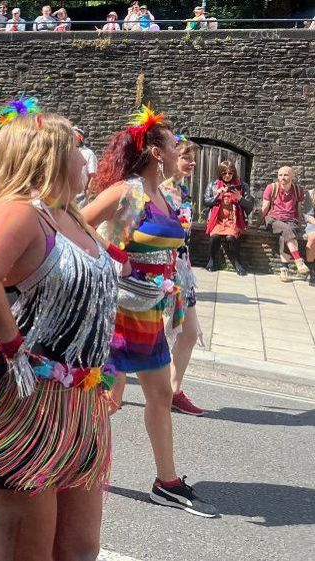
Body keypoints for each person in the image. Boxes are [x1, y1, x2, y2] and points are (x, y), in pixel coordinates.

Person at [0, 109, 119, 561]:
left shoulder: (71, 216)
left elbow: (101, 283)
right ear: (49, 156)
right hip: (27, 406)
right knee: (24, 557)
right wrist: (14, 348)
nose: (85, 159)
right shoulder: (21, 213)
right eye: (77, 149)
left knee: (77, 552)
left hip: (79, 405)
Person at [83, 105, 218, 517]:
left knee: (159, 393)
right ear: (157, 152)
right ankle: (68, 461)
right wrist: (114, 253)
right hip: (116, 310)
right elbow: (76, 222)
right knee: (103, 398)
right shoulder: (129, 191)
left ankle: (167, 481)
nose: (180, 147)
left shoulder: (165, 192)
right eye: (173, 142)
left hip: (149, 308)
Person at [167, 140, 206, 416]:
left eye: (193, 158)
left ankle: (172, 391)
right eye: (185, 157)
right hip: (160, 273)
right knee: (143, 337)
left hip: (183, 270)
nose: (191, 162)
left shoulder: (183, 190)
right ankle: (110, 385)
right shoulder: (159, 190)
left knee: (189, 334)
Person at [202, 160, 253, 275]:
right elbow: (206, 202)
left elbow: (250, 206)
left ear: (234, 173)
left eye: (230, 173)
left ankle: (237, 262)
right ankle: (211, 260)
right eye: (224, 173)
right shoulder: (213, 185)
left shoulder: (242, 186)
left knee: (231, 238)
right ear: (220, 173)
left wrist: (239, 198)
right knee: (214, 237)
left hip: (233, 220)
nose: (227, 176)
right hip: (217, 220)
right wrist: (217, 194)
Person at [262, 166, 311, 282]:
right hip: (273, 220)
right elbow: (264, 208)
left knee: (285, 235)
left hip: (290, 221)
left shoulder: (298, 190)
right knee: (287, 230)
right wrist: (258, 223)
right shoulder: (271, 188)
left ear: (292, 177)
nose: (282, 177)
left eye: (286, 175)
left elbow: (298, 209)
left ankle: (284, 270)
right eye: (280, 175)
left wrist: (299, 224)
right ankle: (298, 260)